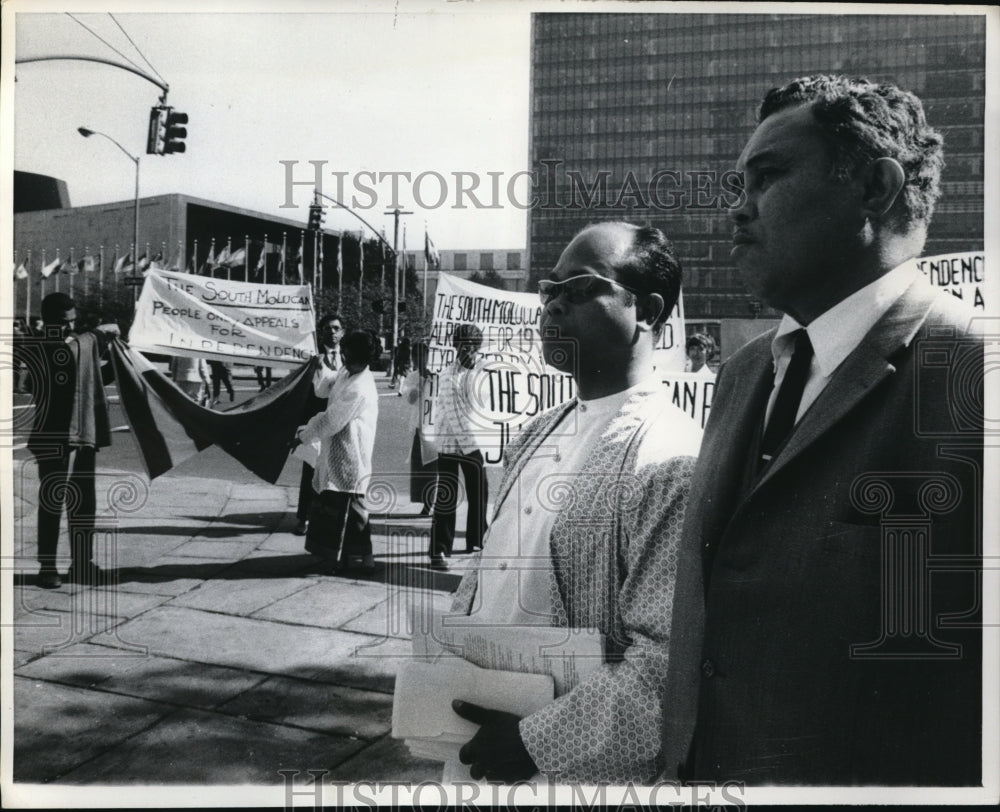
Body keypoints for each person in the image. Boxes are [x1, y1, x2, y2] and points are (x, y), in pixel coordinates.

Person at [677, 75, 983, 785]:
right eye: (738, 183)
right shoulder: (745, 372)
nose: (738, 209)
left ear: (876, 187)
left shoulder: (975, 378)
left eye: (769, 178)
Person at [446, 222, 703, 784]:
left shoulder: (672, 459)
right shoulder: (536, 433)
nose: (553, 305)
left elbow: (667, 670)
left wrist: (536, 745)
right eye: (549, 289)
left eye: (580, 288)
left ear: (649, 311)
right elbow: (489, 576)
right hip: (475, 745)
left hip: (567, 774)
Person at [27, 293, 119, 589]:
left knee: (83, 501)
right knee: (52, 499)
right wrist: (95, 336)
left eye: (73, 322)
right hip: (52, 435)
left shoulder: (74, 343)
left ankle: (82, 562)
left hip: (82, 433)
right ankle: (48, 566)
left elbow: (89, 378)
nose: (70, 327)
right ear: (49, 321)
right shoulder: (41, 344)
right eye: (64, 323)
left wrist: (115, 362)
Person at [295, 329, 379, 576]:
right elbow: (324, 388)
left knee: (353, 508)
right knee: (340, 506)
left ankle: (362, 562)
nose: (344, 357)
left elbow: (330, 421)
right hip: (337, 449)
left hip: (352, 451)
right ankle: (344, 559)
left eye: (349, 354)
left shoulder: (360, 387)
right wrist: (318, 365)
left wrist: (303, 435)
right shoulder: (346, 372)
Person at [425, 323, 488, 571]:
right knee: (446, 496)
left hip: (473, 443)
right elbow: (456, 415)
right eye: (464, 346)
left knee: (479, 491)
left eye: (473, 346)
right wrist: (474, 448)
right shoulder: (448, 376)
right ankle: (439, 549)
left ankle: (476, 539)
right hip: (452, 444)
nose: (469, 351)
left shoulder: (480, 371)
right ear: (455, 347)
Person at [293, 313, 344, 536]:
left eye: (336, 328)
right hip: (316, 421)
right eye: (328, 329)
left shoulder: (347, 358)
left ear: (342, 332)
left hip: (339, 423)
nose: (332, 333)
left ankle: (327, 516)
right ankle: (303, 517)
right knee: (311, 470)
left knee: (335, 471)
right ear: (321, 332)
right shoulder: (314, 359)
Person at [399, 340, 438, 516]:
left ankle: (431, 503)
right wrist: (421, 382)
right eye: (416, 356)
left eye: (423, 355)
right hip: (419, 428)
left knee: (434, 468)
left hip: (436, 428)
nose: (420, 359)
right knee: (421, 468)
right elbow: (410, 399)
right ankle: (425, 502)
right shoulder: (412, 377)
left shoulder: (438, 374)